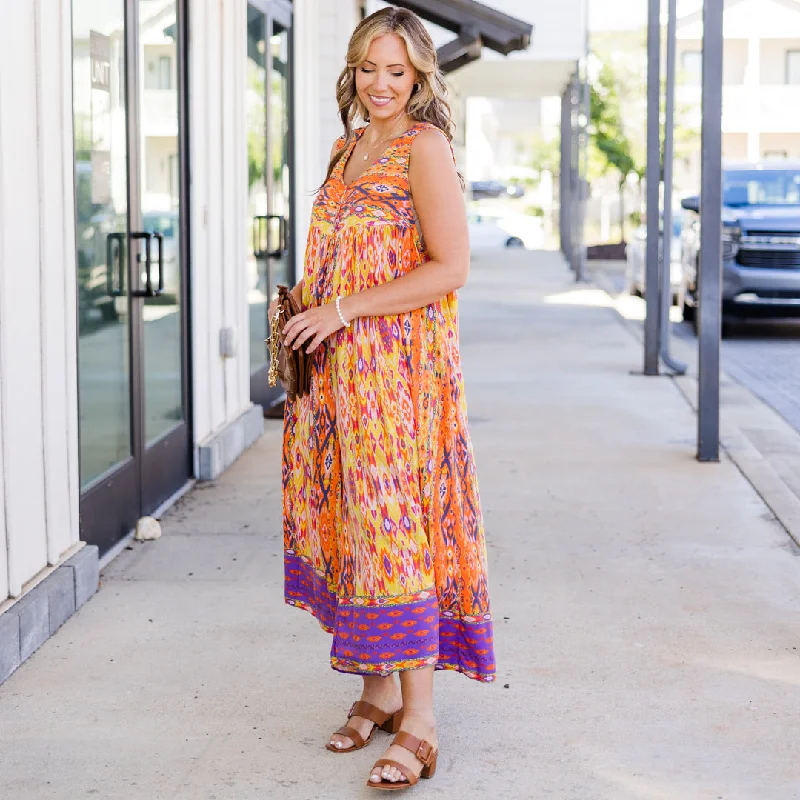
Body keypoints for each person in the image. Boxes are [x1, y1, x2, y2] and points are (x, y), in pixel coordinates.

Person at [272, 6, 495, 791]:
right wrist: (305, 307)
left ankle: (423, 720)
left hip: (397, 383)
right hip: (334, 380)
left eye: (396, 71)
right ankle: (376, 691)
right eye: (369, 67)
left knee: (398, 534)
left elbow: (451, 267)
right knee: (350, 528)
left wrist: (344, 310)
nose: (380, 84)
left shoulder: (422, 148)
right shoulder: (346, 147)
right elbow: (340, 260)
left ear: (420, 76)